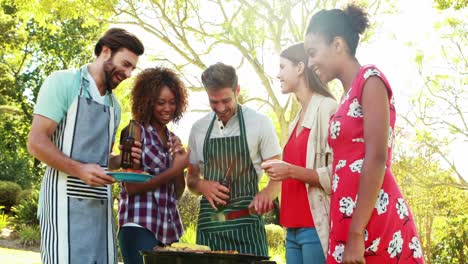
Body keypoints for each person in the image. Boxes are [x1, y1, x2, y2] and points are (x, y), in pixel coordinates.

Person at [304, 4, 424, 264]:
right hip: (347, 216)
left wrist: (356, 232)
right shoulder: (344, 99)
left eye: (313, 53)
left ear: (337, 44)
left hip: (372, 219)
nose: (310, 62)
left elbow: (377, 156)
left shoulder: (369, 79)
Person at [27, 28, 144, 264]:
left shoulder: (114, 106)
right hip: (63, 202)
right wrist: (79, 170)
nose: (129, 73)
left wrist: (122, 159)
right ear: (105, 51)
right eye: (125, 64)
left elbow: (103, 158)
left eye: (132, 68)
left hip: (100, 206)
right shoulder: (63, 82)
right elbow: (36, 142)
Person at [186, 62, 282, 256]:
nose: (220, 108)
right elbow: (191, 180)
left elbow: (278, 176)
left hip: (247, 229)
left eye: (226, 100)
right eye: (214, 102)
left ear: (237, 90)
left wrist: (266, 194)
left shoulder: (260, 123)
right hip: (210, 229)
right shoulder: (198, 129)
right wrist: (203, 185)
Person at [261, 43, 337, 264]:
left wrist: (290, 170)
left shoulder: (327, 109)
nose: (278, 74)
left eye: (282, 67)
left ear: (300, 67)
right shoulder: (297, 118)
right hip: (291, 229)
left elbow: (338, 175)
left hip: (315, 227)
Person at [117, 67, 190, 264]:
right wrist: (173, 170)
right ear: (147, 102)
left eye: (173, 102)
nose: (168, 108)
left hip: (168, 229)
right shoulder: (135, 131)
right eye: (161, 102)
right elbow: (131, 187)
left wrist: (178, 167)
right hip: (139, 224)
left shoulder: (173, 139)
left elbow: (176, 193)